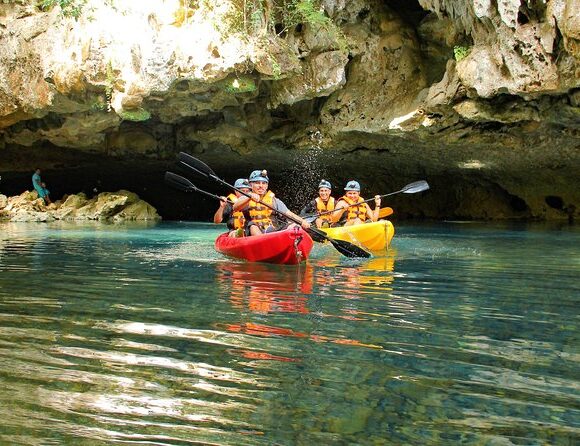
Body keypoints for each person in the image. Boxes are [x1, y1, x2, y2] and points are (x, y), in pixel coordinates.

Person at [233, 169, 311, 236]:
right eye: (257, 183)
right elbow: (235, 207)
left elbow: (289, 214)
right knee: (253, 226)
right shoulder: (245, 197)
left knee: (294, 226)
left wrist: (302, 221)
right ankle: (262, 245)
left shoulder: (274, 200)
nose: (261, 186)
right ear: (251, 185)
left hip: (269, 230)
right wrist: (249, 197)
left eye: (264, 183)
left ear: (267, 185)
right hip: (251, 232)